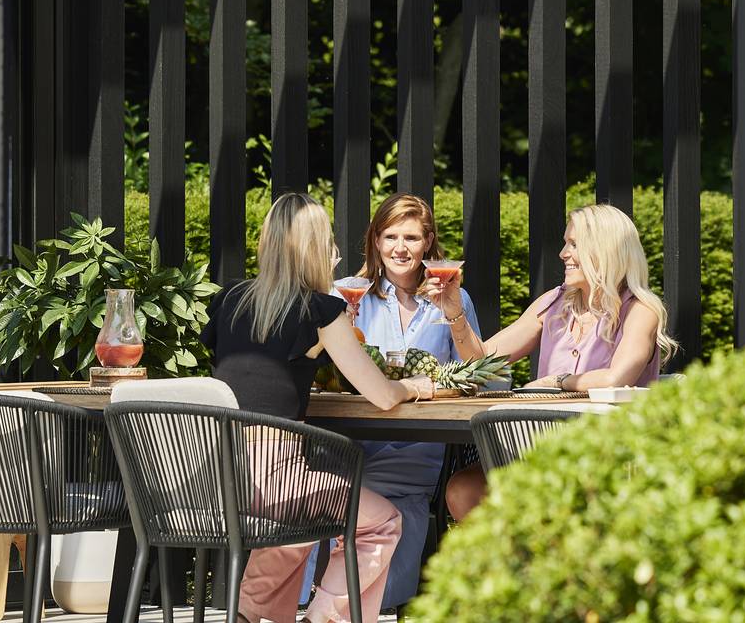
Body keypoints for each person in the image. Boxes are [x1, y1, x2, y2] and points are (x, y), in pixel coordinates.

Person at [201, 192, 434, 623]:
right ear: (316, 248)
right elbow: (381, 394)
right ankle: (322, 618)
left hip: (212, 471)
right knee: (382, 522)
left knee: (300, 522)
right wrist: (414, 387)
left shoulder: (228, 299)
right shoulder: (319, 310)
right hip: (271, 476)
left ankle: (249, 614)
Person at [434, 202, 678, 520]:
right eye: (566, 243)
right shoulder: (554, 302)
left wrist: (555, 382)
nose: (563, 253)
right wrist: (454, 311)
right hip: (540, 450)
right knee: (464, 490)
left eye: (574, 244)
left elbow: (615, 378)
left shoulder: (640, 310)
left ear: (605, 250)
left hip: (607, 458)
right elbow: (482, 362)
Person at [301, 193, 482, 612]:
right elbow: (317, 372)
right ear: (375, 241)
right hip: (346, 450)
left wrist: (453, 313)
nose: (400, 248)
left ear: (428, 243)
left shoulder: (454, 298)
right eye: (390, 236)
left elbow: (480, 374)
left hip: (412, 458)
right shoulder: (346, 296)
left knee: (380, 573)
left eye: (412, 237)